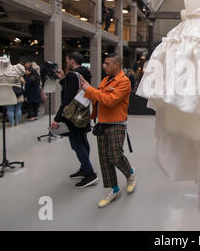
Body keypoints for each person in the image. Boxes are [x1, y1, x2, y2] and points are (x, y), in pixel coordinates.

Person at [80, 53, 136, 208]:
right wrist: (87, 91)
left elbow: (110, 101)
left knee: (115, 154)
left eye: (107, 64)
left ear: (117, 65)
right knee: (104, 160)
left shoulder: (124, 82)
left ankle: (130, 174)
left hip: (117, 123)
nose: (104, 66)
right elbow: (98, 98)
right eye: (105, 63)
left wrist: (90, 90)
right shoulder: (106, 80)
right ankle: (114, 189)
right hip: (102, 123)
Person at [51, 52, 98, 188]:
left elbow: (67, 99)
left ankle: (89, 173)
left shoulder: (73, 76)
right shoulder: (84, 73)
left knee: (76, 144)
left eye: (67, 61)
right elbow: (74, 89)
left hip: (72, 116)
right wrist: (63, 78)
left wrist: (57, 119)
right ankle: (85, 168)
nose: (66, 63)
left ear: (72, 61)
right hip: (82, 113)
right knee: (82, 140)